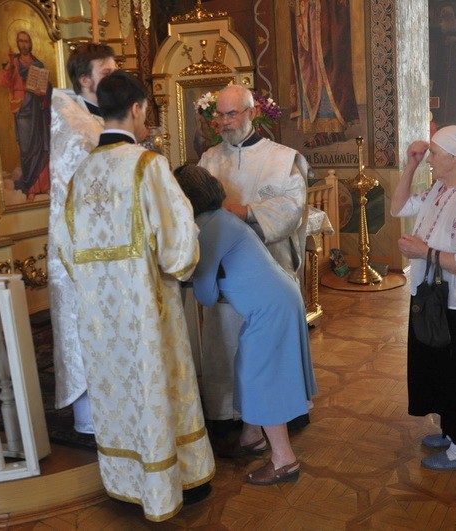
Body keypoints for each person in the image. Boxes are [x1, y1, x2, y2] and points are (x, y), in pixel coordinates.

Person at [51, 71, 214, 520]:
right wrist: (176, 269)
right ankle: (174, 485)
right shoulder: (147, 165)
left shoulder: (80, 174)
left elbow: (63, 247)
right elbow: (179, 243)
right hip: (148, 311)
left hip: (100, 320)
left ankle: (126, 484)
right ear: (139, 108)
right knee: (159, 387)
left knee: (118, 392)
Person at [175, 165, 317, 486]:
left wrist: (184, 279)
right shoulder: (220, 218)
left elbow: (207, 296)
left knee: (260, 379)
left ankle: (285, 461)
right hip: (280, 299)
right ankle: (251, 438)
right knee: (247, 367)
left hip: (270, 308)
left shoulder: (208, 229)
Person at [197, 84, 311, 448]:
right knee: (224, 344)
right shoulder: (208, 159)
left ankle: (275, 419)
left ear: (251, 114)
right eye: (220, 115)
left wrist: (244, 212)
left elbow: (292, 208)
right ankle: (229, 416)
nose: (225, 122)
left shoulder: (282, 157)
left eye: (232, 114)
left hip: (267, 270)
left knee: (266, 353)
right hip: (223, 276)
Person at [391, 126, 456, 471]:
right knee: (443, 370)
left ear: (454, 157)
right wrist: (410, 165)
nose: (430, 159)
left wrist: (424, 251)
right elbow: (399, 207)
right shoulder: (442, 188)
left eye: (434, 154)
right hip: (439, 299)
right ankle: (452, 431)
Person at [47, 42, 116, 435]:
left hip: (110, 242)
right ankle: (89, 416)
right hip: (81, 246)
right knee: (84, 323)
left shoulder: (101, 115)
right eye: (106, 73)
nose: (116, 77)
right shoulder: (73, 123)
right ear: (85, 80)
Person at [289, 0, 359, 148]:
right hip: (307, 26)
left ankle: (337, 129)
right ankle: (320, 132)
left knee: (331, 74)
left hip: (327, 27)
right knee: (310, 75)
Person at [0, 31, 52, 201]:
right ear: (17, 43)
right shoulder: (13, 63)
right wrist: (8, 67)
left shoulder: (38, 64)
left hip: (37, 108)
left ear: (31, 43)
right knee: (27, 148)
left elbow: (47, 89)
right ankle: (30, 187)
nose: (24, 45)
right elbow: (2, 82)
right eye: (21, 41)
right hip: (22, 108)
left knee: (41, 146)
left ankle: (43, 186)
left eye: (27, 41)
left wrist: (42, 92)